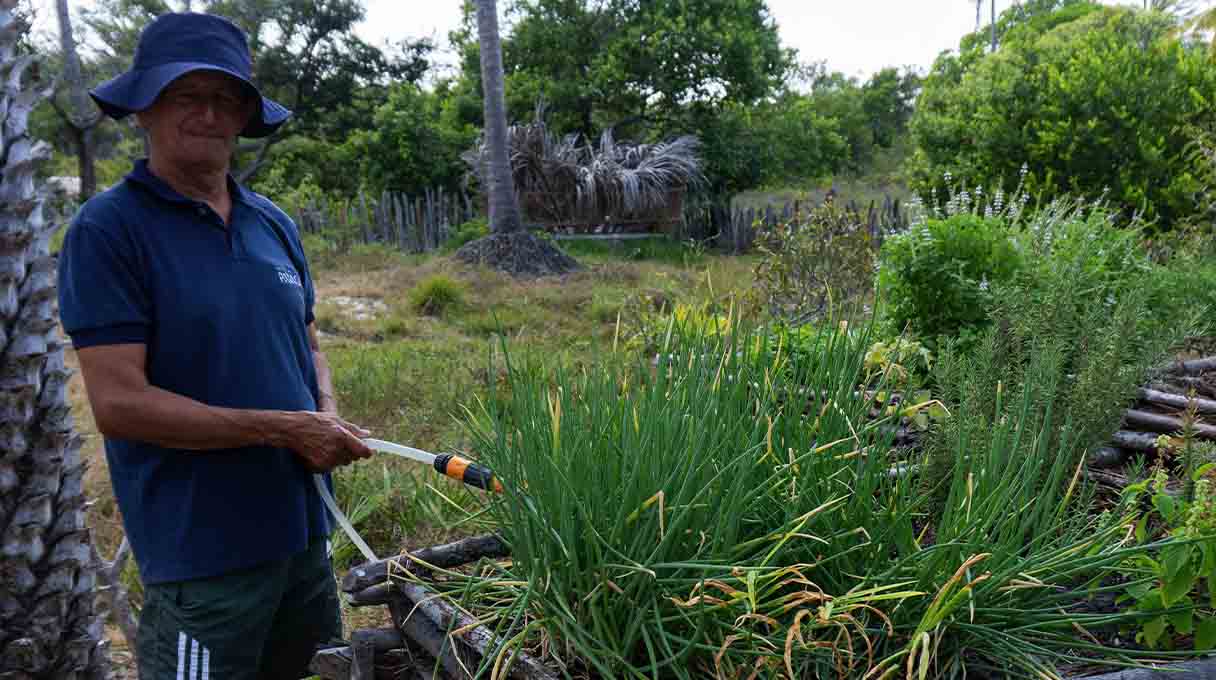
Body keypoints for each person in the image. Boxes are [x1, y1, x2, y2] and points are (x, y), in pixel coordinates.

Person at [56, 12, 374, 679]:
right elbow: (119, 404)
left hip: (302, 541)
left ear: (243, 117)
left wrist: (325, 414)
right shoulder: (109, 230)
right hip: (202, 558)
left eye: (226, 99)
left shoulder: (272, 223)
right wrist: (285, 428)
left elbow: (308, 344)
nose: (208, 114)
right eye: (186, 96)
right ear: (144, 109)